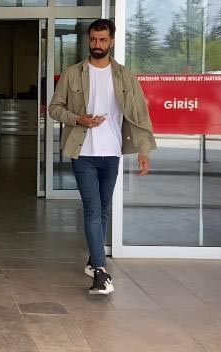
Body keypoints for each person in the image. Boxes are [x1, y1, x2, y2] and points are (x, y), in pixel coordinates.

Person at [48, 18, 156, 295]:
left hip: (112, 153)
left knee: (104, 208)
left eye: (103, 40)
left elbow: (140, 114)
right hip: (83, 152)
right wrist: (78, 119)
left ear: (112, 41)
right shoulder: (73, 73)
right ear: (89, 40)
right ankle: (100, 271)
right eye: (94, 39)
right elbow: (54, 108)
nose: (97, 44)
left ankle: (93, 260)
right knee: (93, 209)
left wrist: (144, 150)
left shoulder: (124, 76)